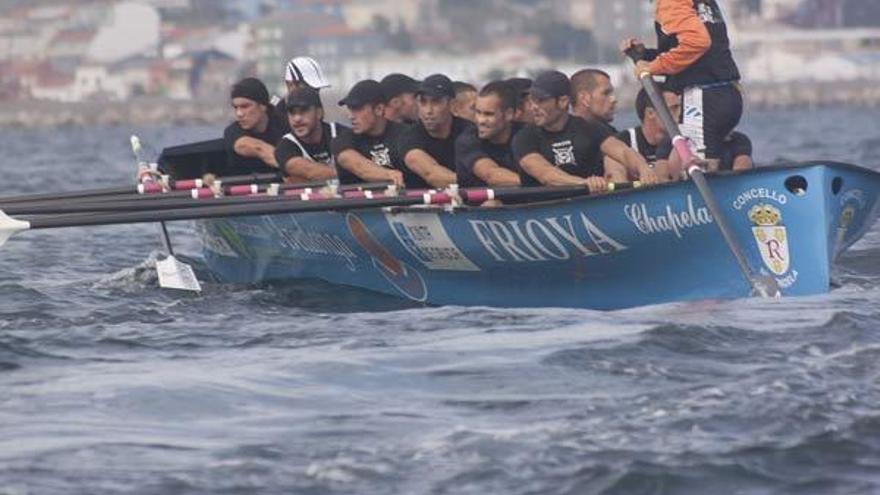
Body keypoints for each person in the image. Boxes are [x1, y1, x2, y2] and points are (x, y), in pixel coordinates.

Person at [622, 0, 743, 172]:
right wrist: (645, 55)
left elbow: (697, 43)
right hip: (728, 94)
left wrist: (652, 67)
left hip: (704, 97)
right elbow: (694, 58)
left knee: (695, 168)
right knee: (692, 160)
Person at [512, 71, 657, 192]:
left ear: (563, 102)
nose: (533, 107)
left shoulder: (589, 128)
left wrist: (643, 168)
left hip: (586, 204)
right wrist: (583, 183)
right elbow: (546, 174)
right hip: (542, 211)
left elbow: (623, 151)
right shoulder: (524, 137)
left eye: (540, 101)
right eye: (532, 101)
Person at [397, 74, 474, 189]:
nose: (428, 111)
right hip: (422, 204)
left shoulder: (470, 131)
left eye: (436, 102)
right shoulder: (409, 136)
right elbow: (432, 175)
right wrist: (479, 182)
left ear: (451, 104)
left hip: (467, 200)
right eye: (423, 102)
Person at [331, 79, 405, 187]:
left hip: (403, 202)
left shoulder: (406, 134)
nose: (351, 116)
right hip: (360, 203)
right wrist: (388, 175)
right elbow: (356, 165)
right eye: (350, 109)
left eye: (357, 109)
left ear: (379, 109)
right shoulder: (343, 140)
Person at [455, 80, 521, 188]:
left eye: (488, 114)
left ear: (509, 114)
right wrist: (536, 184)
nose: (480, 121)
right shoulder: (467, 140)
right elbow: (491, 175)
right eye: (478, 112)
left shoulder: (526, 134)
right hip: (480, 203)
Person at [607, 87, 681, 181]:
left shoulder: (683, 140)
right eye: (674, 108)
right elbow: (616, 181)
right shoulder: (623, 141)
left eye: (680, 107)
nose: (680, 114)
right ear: (650, 113)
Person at [274, 86, 344, 183]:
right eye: (292, 113)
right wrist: (349, 174)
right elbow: (310, 171)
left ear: (319, 113)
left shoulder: (340, 133)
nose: (297, 119)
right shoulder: (285, 146)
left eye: (303, 111)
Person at [224, 77, 287, 175]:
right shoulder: (233, 131)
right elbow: (259, 149)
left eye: (245, 106)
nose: (239, 113)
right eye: (236, 107)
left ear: (262, 106)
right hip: (247, 186)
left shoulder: (283, 122)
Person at [272, 56, 331, 134]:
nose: (313, 94)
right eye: (308, 88)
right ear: (289, 85)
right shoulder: (273, 117)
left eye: (317, 90)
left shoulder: (316, 112)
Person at [662, 130, 754, 179]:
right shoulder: (672, 141)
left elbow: (741, 175)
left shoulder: (739, 140)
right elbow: (663, 178)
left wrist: (712, 170)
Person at [570, 68, 618, 133]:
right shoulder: (568, 137)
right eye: (605, 93)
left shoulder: (611, 134)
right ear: (584, 98)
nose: (613, 99)